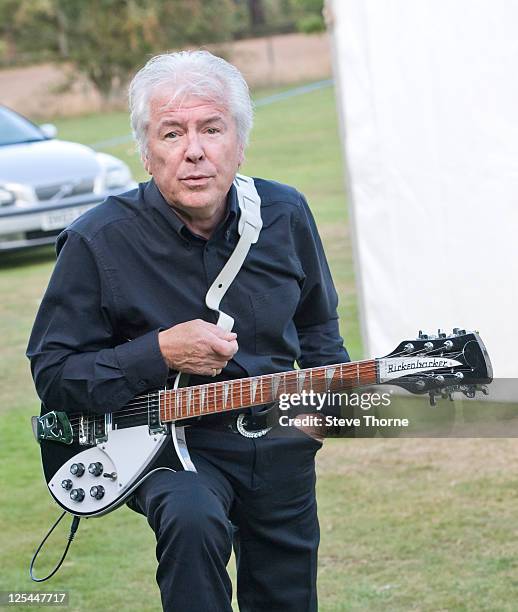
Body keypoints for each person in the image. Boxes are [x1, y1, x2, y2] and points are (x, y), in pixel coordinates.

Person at [27, 50, 350, 611]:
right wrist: (157, 353)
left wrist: (326, 406)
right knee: (193, 519)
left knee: (288, 597)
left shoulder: (284, 213)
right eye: (172, 133)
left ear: (239, 144)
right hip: (167, 448)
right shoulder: (95, 241)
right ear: (146, 152)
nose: (194, 150)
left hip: (275, 439)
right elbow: (55, 375)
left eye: (212, 128)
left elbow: (318, 323)